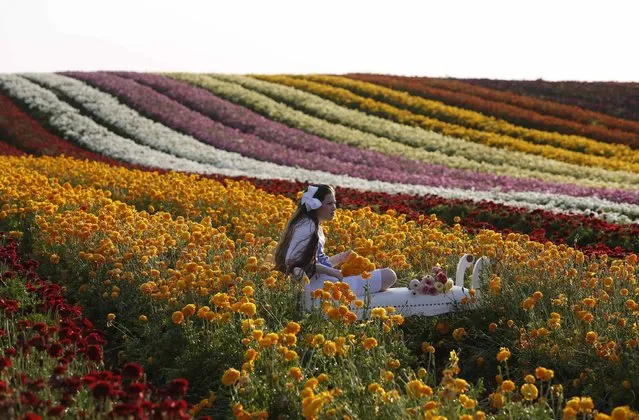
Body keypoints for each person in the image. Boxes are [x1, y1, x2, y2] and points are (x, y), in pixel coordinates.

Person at [274, 184, 397, 309]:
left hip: (324, 283)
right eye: (329, 204)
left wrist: (340, 257)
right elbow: (293, 262)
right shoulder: (307, 226)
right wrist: (332, 272)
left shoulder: (310, 225)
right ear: (315, 205)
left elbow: (315, 263)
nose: (334, 208)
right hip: (322, 287)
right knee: (389, 275)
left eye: (334, 203)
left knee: (384, 275)